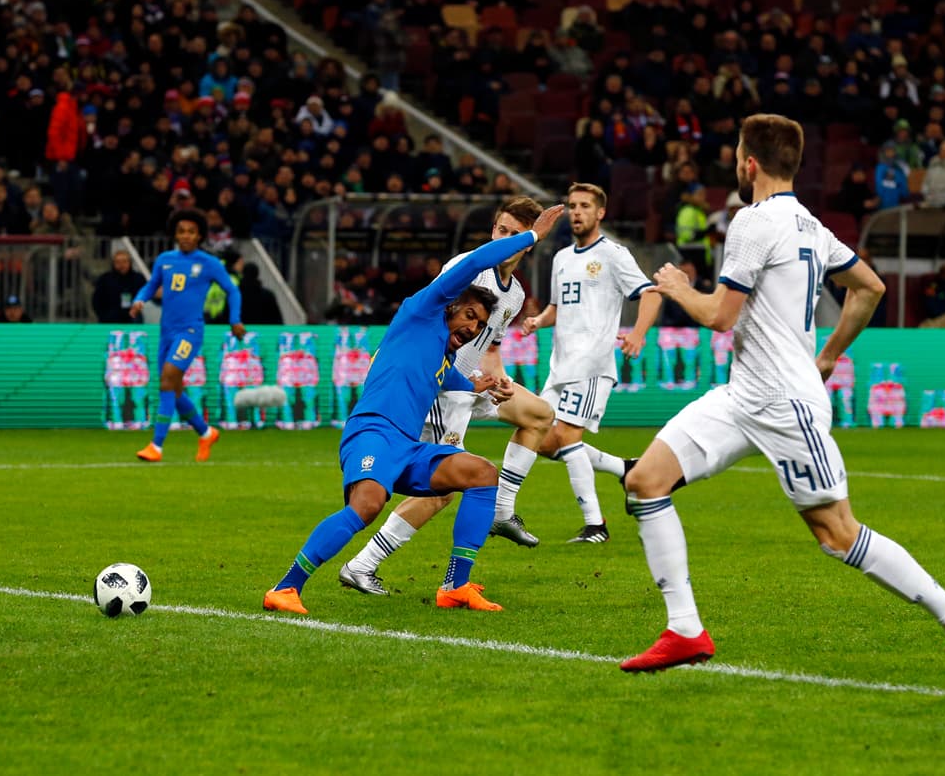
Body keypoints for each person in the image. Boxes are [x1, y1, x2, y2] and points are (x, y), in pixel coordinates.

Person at [619, 113, 945, 697]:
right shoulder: (811, 224)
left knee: (836, 533)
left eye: (737, 156)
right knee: (646, 480)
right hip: (744, 393)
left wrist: (675, 285)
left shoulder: (752, 220)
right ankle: (685, 630)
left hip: (784, 404)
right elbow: (870, 287)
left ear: (748, 163)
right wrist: (828, 355)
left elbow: (720, 316)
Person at [263, 203, 566, 615]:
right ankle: (286, 588)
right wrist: (532, 236)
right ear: (451, 304)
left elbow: (445, 377)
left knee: (480, 474)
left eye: (480, 325)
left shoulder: (442, 354)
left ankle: (456, 586)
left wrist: (482, 383)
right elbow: (478, 260)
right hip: (372, 432)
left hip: (406, 447)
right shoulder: (420, 311)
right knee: (368, 505)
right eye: (470, 317)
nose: (473, 330)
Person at [337, 197, 557, 597]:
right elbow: (426, 317)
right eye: (501, 230)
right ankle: (362, 564)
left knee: (540, 414)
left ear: (526, 247)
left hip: (473, 385)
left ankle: (502, 512)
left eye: (513, 233)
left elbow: (490, 348)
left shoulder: (515, 295)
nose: (503, 237)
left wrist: (502, 380)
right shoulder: (467, 266)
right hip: (442, 388)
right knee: (446, 488)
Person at [522, 183, 661, 543]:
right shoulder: (562, 258)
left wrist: (639, 333)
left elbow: (649, 294)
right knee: (542, 440)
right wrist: (539, 320)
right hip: (561, 365)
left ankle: (596, 526)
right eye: (572, 206)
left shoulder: (614, 254)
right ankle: (626, 469)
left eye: (585, 206)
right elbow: (558, 306)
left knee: (566, 436)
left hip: (593, 363)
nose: (577, 212)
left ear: (600, 213)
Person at [130, 208, 244, 463]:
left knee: (167, 380)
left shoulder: (209, 263)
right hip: (166, 331)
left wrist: (234, 319)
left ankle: (156, 446)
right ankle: (206, 432)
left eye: (191, 231)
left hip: (190, 331)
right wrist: (139, 300)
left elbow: (232, 291)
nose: (186, 236)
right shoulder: (165, 260)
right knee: (174, 389)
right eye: (181, 231)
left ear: (200, 235)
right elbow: (151, 286)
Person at [93, 250, 148, 323]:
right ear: (113, 263)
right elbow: (96, 300)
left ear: (130, 262)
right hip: (110, 318)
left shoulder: (138, 278)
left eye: (124, 261)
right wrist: (103, 315)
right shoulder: (105, 279)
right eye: (118, 262)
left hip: (133, 316)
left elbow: (145, 297)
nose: (121, 265)